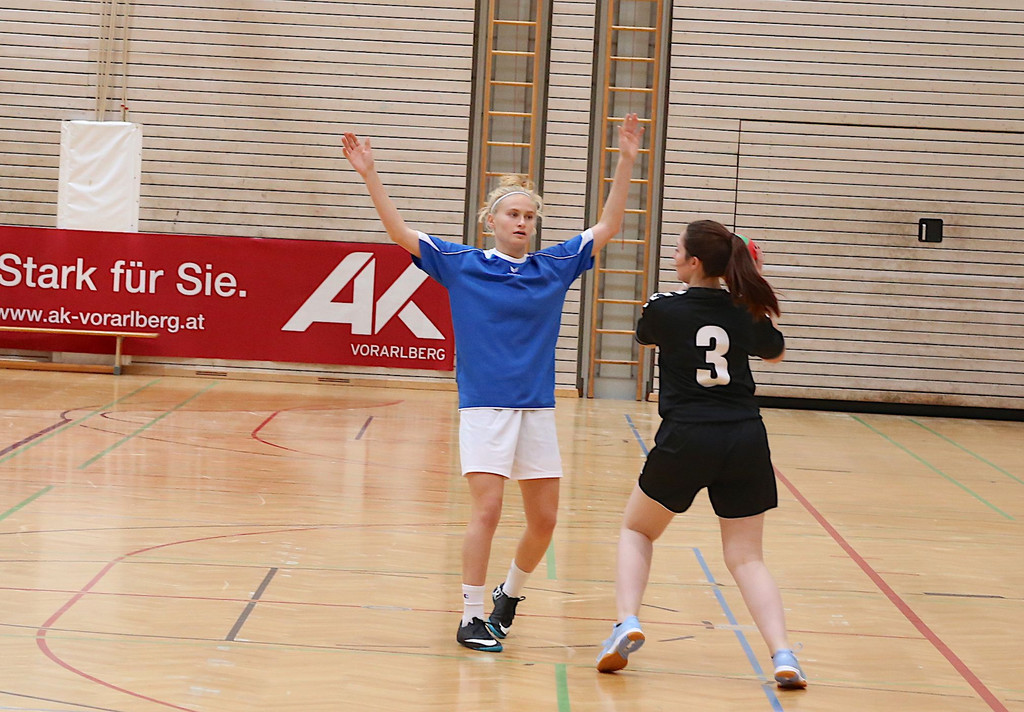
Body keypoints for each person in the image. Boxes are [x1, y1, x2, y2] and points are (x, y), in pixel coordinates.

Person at [341, 114, 644, 653]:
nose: (522, 222)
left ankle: (509, 594)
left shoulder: (554, 266)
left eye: (529, 216)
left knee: (544, 521)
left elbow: (609, 225)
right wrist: (370, 175)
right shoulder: (462, 264)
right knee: (487, 510)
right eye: (513, 214)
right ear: (491, 221)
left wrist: (625, 161)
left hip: (537, 409)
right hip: (485, 409)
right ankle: (470, 616)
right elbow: (399, 233)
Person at [595, 219, 807, 689]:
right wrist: (749, 292)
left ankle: (626, 622)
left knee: (637, 529)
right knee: (747, 558)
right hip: (744, 438)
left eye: (677, 251)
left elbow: (645, 335)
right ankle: (783, 654)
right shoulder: (745, 309)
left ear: (693, 262)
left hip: (687, 436)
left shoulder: (664, 307)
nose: (673, 258)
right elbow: (774, 352)